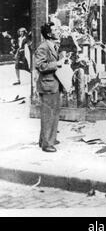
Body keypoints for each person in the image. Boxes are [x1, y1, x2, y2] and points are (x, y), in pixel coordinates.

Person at [35, 22, 63, 152]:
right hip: (47, 85)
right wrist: (57, 63)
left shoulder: (53, 46)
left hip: (52, 84)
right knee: (48, 114)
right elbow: (40, 66)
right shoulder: (43, 47)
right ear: (49, 34)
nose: (59, 31)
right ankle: (47, 144)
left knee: (53, 113)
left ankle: (46, 139)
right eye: (56, 29)